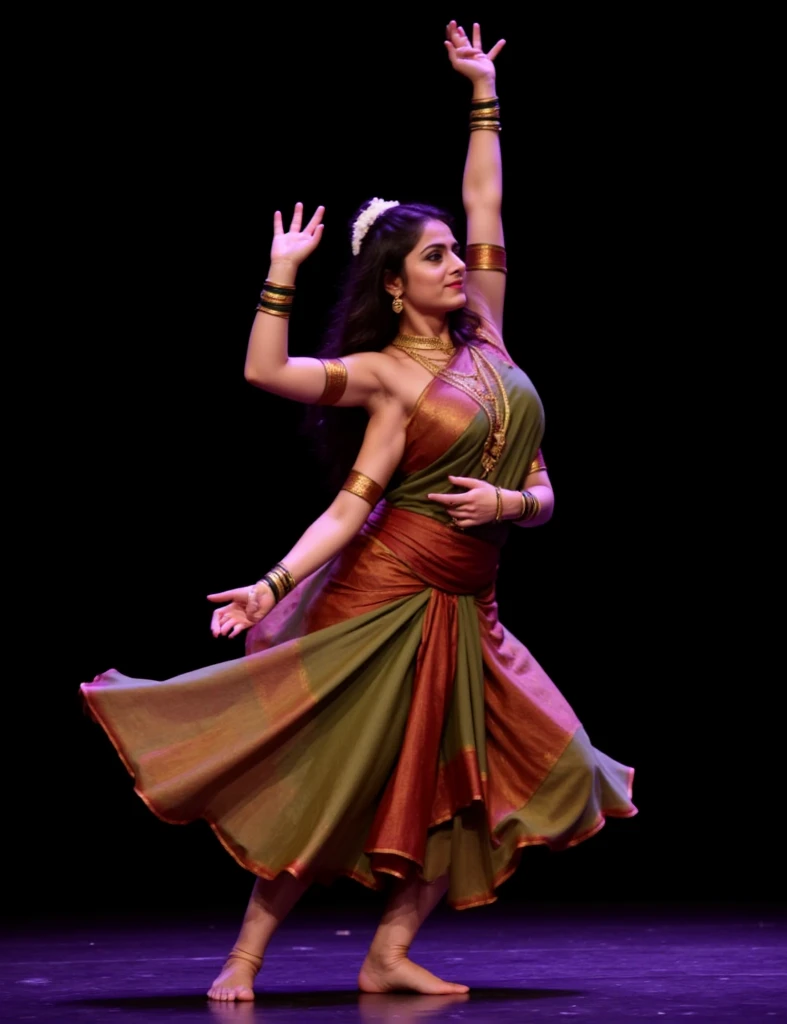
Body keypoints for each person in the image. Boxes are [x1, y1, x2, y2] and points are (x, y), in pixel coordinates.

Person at [80, 21, 636, 1003]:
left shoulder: (489, 326)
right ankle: (242, 961)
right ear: (395, 281)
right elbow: (279, 397)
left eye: (452, 255)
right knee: (336, 773)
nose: (455, 264)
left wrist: (480, 93)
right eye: (433, 258)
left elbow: (485, 198)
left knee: (478, 782)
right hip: (386, 599)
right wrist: (271, 583)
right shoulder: (384, 375)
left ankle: (386, 950)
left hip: (470, 608)